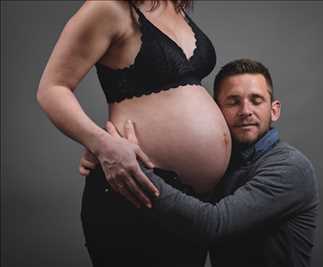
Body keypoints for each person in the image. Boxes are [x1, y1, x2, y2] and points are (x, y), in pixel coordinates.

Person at [37, 1, 231, 266]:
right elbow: (52, 88)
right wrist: (101, 143)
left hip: (194, 205)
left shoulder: (174, 7)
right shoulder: (107, 7)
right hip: (134, 189)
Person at [81, 59, 320, 267]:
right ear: (217, 111)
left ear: (274, 110)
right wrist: (106, 145)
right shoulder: (224, 167)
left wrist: (135, 169)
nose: (246, 111)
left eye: (256, 100)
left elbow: (213, 224)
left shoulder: (290, 168)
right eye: (233, 101)